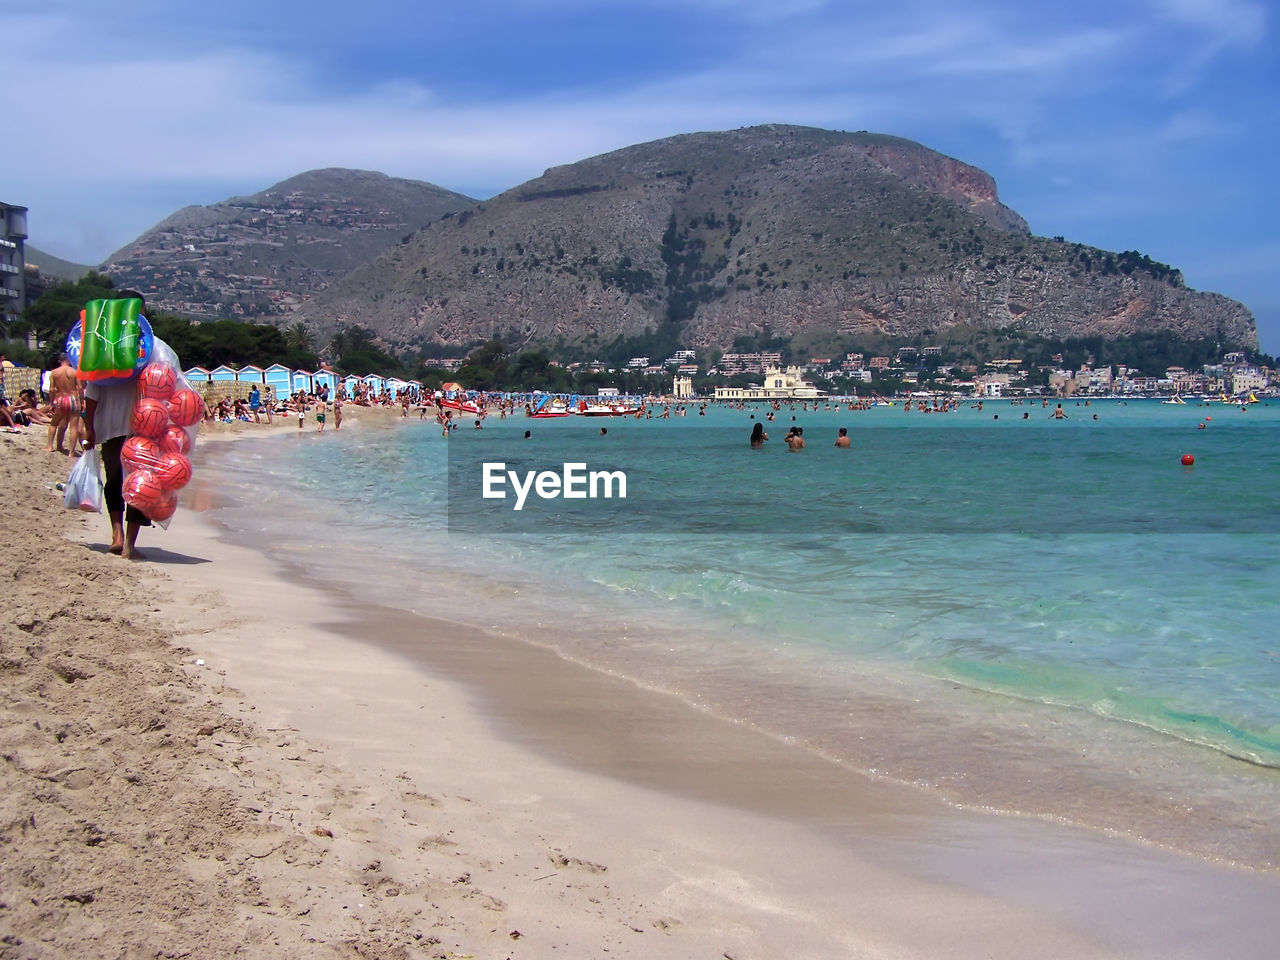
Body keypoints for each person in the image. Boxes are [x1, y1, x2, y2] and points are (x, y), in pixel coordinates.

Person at [81, 292, 174, 560]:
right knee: (140, 484)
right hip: (142, 428)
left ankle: (117, 536)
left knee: (116, 481)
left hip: (114, 426)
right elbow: (166, 385)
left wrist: (90, 426)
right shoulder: (153, 347)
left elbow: (92, 390)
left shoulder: (100, 343)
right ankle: (127, 544)